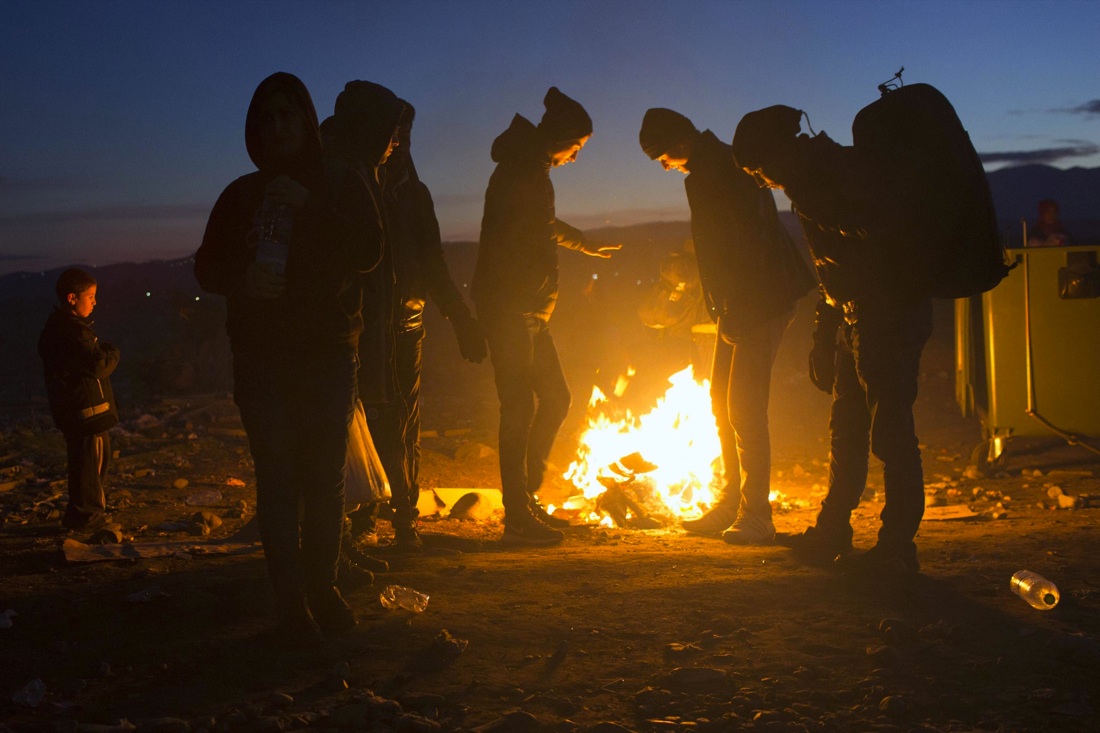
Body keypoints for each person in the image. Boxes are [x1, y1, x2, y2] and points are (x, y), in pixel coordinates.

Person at [195, 72, 384, 643]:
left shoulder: (340, 183)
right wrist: (243, 278)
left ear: (305, 121)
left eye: (288, 116)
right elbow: (207, 268)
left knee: (324, 480)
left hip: (327, 354)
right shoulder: (240, 195)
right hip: (262, 359)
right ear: (256, 129)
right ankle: (290, 601)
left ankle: (322, 589)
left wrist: (314, 206)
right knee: (277, 479)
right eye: (267, 118)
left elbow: (370, 253)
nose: (278, 127)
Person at [732, 104, 934, 575]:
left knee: (891, 434)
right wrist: (827, 331)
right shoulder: (813, 181)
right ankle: (832, 531)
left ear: (780, 149)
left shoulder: (838, 175)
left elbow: (876, 236)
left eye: (761, 169)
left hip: (889, 316)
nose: (764, 181)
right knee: (846, 433)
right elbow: (834, 265)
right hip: (855, 320)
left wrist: (815, 202)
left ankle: (898, 548)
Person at [639, 108, 815, 544]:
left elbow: (749, 242)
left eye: (662, 156)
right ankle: (732, 502)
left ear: (681, 141)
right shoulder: (708, 168)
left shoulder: (725, 168)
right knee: (720, 401)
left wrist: (739, 307)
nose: (663, 165)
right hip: (739, 305)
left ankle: (757, 515)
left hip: (761, 300)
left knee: (744, 408)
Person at [472, 87, 620, 546]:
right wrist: (510, 300)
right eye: (576, 147)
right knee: (519, 407)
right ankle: (517, 515)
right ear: (559, 136)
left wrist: (583, 243)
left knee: (555, 399)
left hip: (532, 309)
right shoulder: (520, 170)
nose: (576, 157)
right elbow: (514, 237)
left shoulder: (532, 169)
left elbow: (542, 227)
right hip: (511, 308)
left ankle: (525, 499)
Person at [38, 268, 120, 533]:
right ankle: (89, 518)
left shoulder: (58, 327)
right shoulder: (73, 332)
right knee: (90, 466)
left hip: (75, 411)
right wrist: (113, 352)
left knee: (85, 462)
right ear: (73, 298)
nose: (95, 301)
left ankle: (78, 515)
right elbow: (98, 366)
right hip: (87, 412)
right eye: (91, 296)